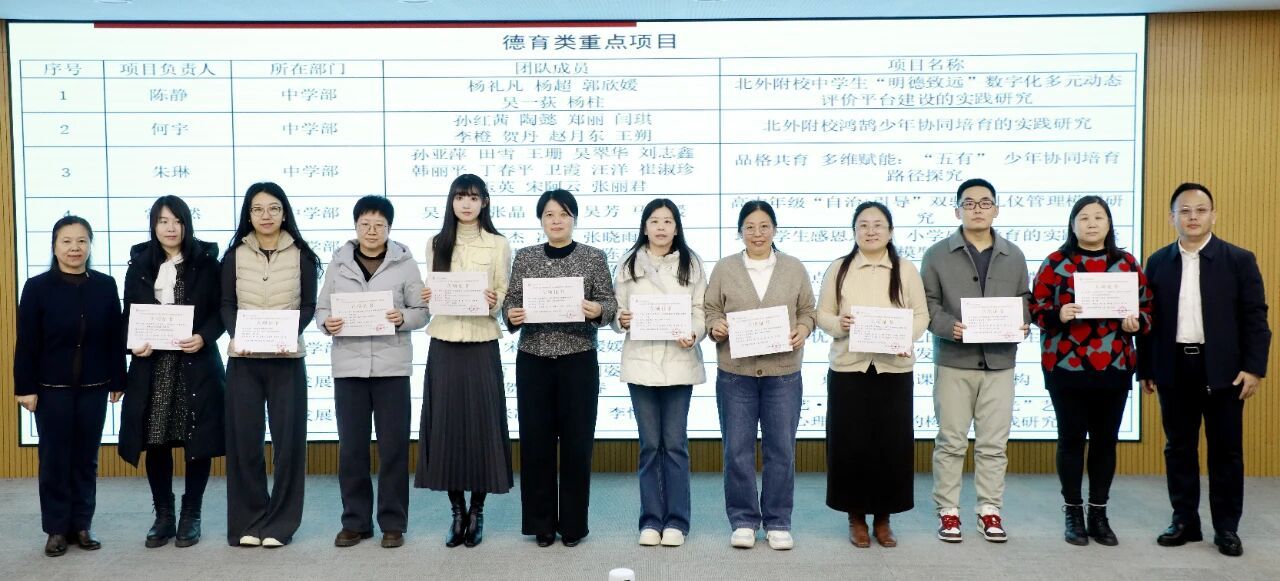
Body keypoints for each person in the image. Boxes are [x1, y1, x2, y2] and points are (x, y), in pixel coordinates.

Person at [1139, 183, 1271, 557]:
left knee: (1226, 451)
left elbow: (1255, 317)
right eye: (1184, 211)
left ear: (1213, 215)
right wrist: (1146, 366)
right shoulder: (1158, 262)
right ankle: (1184, 521)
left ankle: (1226, 528)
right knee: (1179, 448)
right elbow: (1148, 319)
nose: (1192, 217)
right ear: (1172, 218)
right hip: (1174, 366)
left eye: (1200, 210)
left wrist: (1254, 369)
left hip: (1224, 370)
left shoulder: (1238, 259)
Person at [1030, 195, 1151, 547]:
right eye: (1084, 217)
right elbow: (1035, 308)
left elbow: (1148, 310)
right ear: (1073, 224)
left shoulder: (1126, 263)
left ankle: (1099, 513)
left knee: (1104, 441)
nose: (1092, 223)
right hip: (1065, 367)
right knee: (1070, 440)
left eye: (1099, 217)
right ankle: (1073, 513)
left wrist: (1136, 323)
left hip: (1113, 366)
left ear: (1109, 223)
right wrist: (1058, 314)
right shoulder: (1055, 262)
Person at [503, 189, 617, 548]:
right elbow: (510, 302)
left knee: (576, 444)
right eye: (549, 215)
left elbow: (609, 302)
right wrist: (511, 314)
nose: (556, 221)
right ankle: (541, 524)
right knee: (535, 442)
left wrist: (598, 311)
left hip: (578, 359)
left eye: (564, 214)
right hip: (534, 359)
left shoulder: (593, 257)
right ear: (541, 220)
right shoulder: (525, 257)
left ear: (574, 219)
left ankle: (572, 525)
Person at [920, 179, 1031, 543]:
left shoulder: (1014, 255)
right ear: (957, 211)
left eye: (985, 203)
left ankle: (989, 509)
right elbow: (927, 303)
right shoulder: (936, 254)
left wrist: (1023, 322)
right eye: (969, 203)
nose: (977, 209)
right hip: (955, 360)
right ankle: (948, 511)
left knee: (993, 444)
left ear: (996, 209)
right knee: (951, 441)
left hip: (1000, 362)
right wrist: (947, 326)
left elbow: (1024, 299)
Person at [816, 201, 929, 549]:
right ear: (854, 232)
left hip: (893, 369)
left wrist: (904, 337)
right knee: (851, 445)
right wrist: (840, 324)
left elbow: (921, 315)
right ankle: (855, 517)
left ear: (890, 232)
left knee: (890, 445)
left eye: (878, 225)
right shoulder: (839, 268)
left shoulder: (905, 269)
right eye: (863, 225)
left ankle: (883, 518)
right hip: (849, 368)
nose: (871, 231)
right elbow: (822, 315)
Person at [317, 195, 428, 549]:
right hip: (349, 367)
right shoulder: (338, 263)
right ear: (355, 226)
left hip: (391, 368)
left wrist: (402, 317)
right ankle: (355, 522)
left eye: (379, 225)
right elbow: (322, 309)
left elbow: (422, 311)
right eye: (365, 224)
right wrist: (327, 323)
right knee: (352, 449)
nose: (371, 231)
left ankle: (393, 523)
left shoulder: (405, 264)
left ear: (389, 228)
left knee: (394, 448)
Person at [704, 200, 815, 551]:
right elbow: (710, 309)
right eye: (749, 227)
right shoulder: (725, 268)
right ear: (740, 231)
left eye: (764, 226)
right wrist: (716, 326)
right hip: (735, 374)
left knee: (780, 449)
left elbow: (808, 311)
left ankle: (778, 520)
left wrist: (803, 329)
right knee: (736, 450)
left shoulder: (793, 267)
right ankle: (744, 520)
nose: (757, 233)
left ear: (774, 230)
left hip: (783, 373)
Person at [118, 196, 225, 549]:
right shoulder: (139, 265)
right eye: (163, 221)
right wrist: (132, 343)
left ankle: (191, 514)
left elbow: (220, 311)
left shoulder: (206, 263)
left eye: (177, 221)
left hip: (195, 362)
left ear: (186, 224)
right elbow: (128, 315)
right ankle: (163, 515)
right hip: (153, 366)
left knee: (199, 441)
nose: (170, 228)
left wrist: (204, 336)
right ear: (153, 225)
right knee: (156, 440)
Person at [14, 215, 125, 557]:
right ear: (54, 246)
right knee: (54, 459)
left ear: (90, 245)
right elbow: (27, 342)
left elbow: (115, 336)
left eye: (81, 241)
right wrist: (25, 387)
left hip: (95, 385)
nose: (75, 248)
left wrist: (118, 378)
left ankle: (82, 525)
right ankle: (56, 529)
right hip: (51, 388)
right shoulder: (37, 287)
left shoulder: (105, 285)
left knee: (86, 459)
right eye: (67, 241)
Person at [415, 175, 513, 548]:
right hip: (443, 341)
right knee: (446, 426)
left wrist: (494, 300)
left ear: (484, 202)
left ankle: (477, 511)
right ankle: (456, 511)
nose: (466, 204)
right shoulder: (436, 243)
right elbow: (433, 291)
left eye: (473, 198)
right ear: (451, 202)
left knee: (483, 426)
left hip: (482, 341)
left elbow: (503, 290)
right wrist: (428, 295)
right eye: (460, 197)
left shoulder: (498, 244)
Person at [220, 182, 320, 548]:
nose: (266, 215)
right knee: (244, 443)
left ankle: (280, 523)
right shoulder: (233, 255)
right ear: (248, 215)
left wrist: (286, 333)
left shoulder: (302, 255)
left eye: (274, 208)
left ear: (284, 213)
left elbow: (308, 306)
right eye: (258, 209)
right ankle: (248, 521)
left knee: (288, 445)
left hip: (286, 360)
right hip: (244, 361)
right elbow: (226, 304)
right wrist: (241, 335)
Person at [613, 198, 707, 548]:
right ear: (645, 227)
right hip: (641, 363)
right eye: (655, 221)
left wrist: (694, 333)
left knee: (675, 444)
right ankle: (651, 520)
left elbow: (700, 310)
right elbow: (617, 311)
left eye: (668, 221)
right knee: (650, 445)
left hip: (679, 363)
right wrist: (621, 320)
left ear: (676, 227)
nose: (661, 227)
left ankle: (678, 522)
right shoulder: (628, 262)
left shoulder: (691, 262)